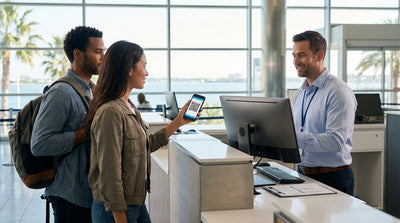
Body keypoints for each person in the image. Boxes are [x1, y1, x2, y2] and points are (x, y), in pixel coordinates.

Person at [84, 40, 201, 223]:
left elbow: (146, 145)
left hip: (136, 204)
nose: (147, 73)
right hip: (115, 210)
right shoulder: (111, 112)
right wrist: (120, 218)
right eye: (144, 66)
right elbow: (109, 173)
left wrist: (178, 121)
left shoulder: (129, 106)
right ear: (129, 69)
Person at [31, 26, 105, 222]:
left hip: (86, 194)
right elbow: (39, 144)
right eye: (98, 52)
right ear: (78, 54)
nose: (103, 57)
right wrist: (83, 134)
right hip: (69, 196)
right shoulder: (61, 92)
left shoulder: (91, 89)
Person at [291, 30, 357, 195]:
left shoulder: (338, 91)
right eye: (294, 55)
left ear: (319, 56)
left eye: (302, 55)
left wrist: (290, 138)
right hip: (304, 174)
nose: (296, 61)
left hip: (333, 178)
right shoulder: (300, 93)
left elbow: (334, 142)